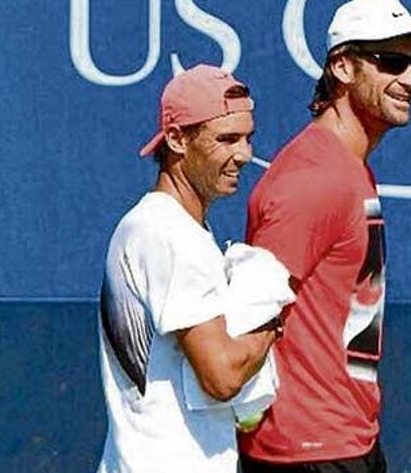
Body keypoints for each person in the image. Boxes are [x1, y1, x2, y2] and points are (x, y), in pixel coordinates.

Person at [238, 0, 411, 472]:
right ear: (342, 67)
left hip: (347, 442)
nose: (410, 79)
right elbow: (251, 316)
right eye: (391, 61)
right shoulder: (312, 179)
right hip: (303, 452)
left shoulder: (349, 168)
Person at [97, 64, 290, 472]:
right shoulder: (167, 234)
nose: (244, 154)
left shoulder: (172, 229)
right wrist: (269, 323)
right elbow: (221, 376)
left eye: (248, 138)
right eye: (227, 139)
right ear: (176, 139)